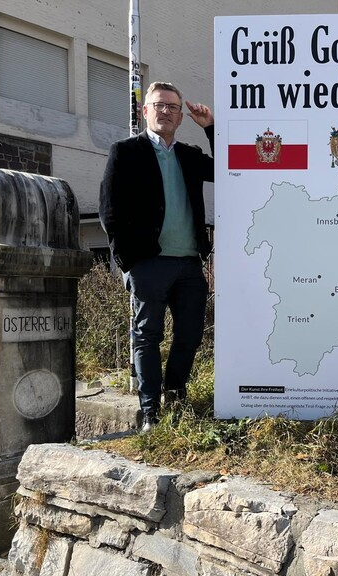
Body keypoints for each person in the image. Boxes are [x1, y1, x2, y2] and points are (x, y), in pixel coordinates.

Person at [99, 81, 214, 432]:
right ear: (145, 111)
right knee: (147, 336)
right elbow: (109, 210)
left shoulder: (190, 156)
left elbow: (230, 168)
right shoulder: (126, 151)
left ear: (181, 116)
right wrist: (129, 262)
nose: (165, 111)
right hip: (149, 263)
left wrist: (210, 128)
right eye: (159, 105)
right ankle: (150, 413)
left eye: (173, 107)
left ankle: (175, 397)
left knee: (190, 335)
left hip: (189, 263)